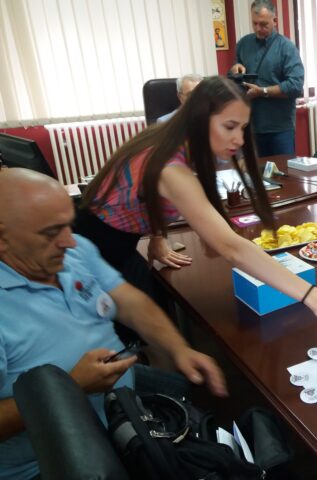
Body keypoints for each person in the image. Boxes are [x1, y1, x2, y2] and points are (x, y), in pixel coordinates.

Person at [75, 76, 317, 344]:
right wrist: (314, 297)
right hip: (96, 250)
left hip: (112, 241)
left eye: (243, 128)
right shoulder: (171, 169)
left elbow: (149, 196)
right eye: (229, 126)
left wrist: (157, 237)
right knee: (126, 338)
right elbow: (231, 247)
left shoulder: (171, 141)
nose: (239, 139)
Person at [0, 168, 227, 480]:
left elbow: (130, 303)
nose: (69, 241)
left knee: (204, 407)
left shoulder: (74, 251)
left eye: (68, 225)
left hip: (122, 415)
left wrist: (178, 349)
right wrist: (71, 387)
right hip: (56, 465)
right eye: (51, 233)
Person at [229, 0, 304, 157]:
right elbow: (233, 78)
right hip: (250, 126)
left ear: (274, 21)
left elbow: (296, 86)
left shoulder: (287, 48)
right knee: (255, 170)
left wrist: (262, 91)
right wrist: (235, 70)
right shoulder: (243, 44)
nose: (258, 28)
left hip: (279, 128)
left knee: (282, 170)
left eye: (263, 24)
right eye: (254, 23)